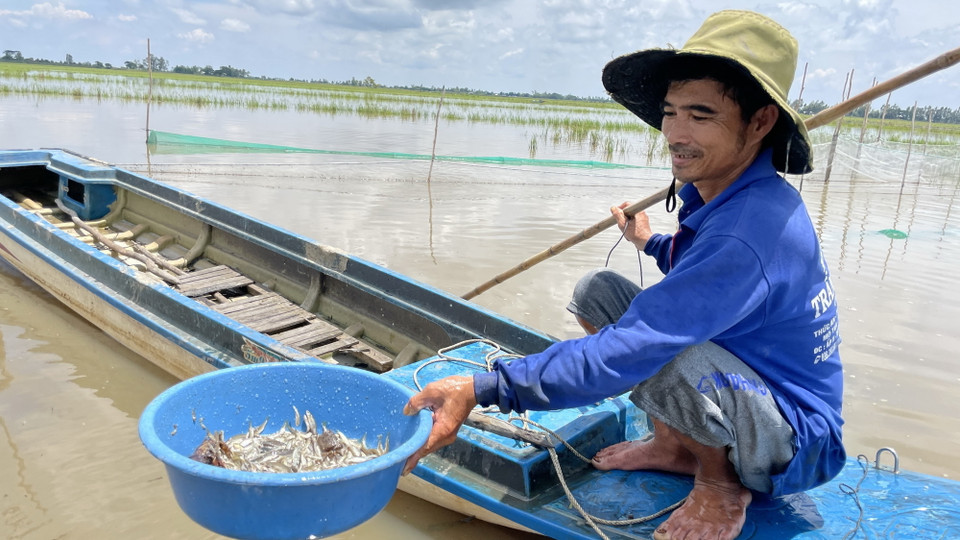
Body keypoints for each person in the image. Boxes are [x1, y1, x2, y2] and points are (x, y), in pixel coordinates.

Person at [403, 10, 844, 540]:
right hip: (747, 388)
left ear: (759, 123)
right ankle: (674, 444)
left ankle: (722, 482)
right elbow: (706, 278)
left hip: (791, 439)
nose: (675, 134)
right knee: (599, 293)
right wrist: (648, 242)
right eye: (671, 113)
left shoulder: (751, 227)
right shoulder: (730, 195)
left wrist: (487, 387)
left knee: (657, 346)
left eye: (701, 116)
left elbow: (641, 341)